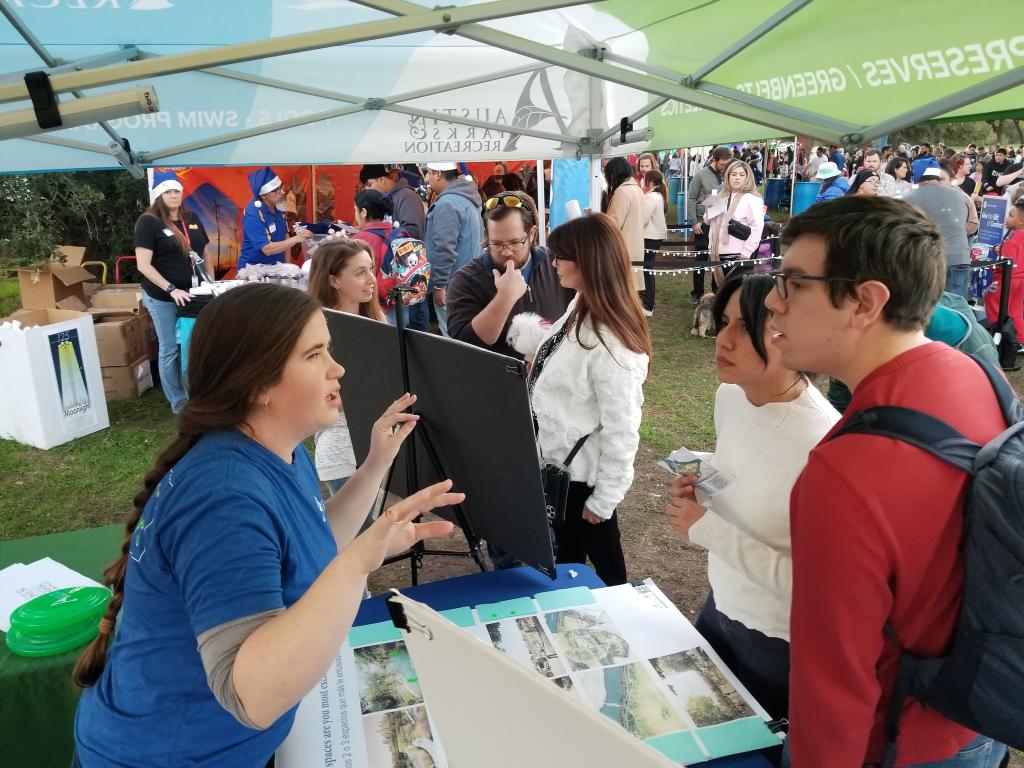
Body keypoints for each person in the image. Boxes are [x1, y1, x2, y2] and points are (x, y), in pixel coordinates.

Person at [71, 284, 460, 767]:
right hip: (168, 754)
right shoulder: (225, 499)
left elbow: (309, 548)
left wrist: (375, 465)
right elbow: (251, 695)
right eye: (315, 354)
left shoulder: (276, 448)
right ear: (257, 384)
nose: (337, 369)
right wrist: (358, 564)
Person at [765, 196, 1010, 768]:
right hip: (976, 711)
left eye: (793, 282)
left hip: (902, 745)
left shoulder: (844, 474)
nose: (773, 304)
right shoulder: (973, 373)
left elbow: (834, 689)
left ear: (865, 302)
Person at [665, 274, 839, 721]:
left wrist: (706, 528)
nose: (724, 338)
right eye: (724, 321)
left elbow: (816, 587)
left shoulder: (823, 445)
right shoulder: (731, 394)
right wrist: (700, 470)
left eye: (747, 325)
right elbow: (745, 465)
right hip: (720, 602)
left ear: (790, 330)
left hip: (776, 641)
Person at [529, 214, 651, 586]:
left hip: (583, 478)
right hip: (560, 468)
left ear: (587, 262)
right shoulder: (580, 306)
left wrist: (606, 497)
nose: (554, 264)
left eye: (561, 256)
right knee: (568, 565)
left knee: (607, 573)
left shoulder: (612, 341)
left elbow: (623, 425)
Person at [446, 191, 572, 359]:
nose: (506, 252)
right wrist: (505, 297)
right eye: (496, 243)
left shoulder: (557, 265)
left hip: (554, 379)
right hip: (497, 382)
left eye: (514, 242)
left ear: (532, 233)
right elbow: (464, 347)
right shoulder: (466, 280)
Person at [307, 238, 385, 499]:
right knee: (356, 536)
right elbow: (317, 397)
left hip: (378, 448)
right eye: (360, 273)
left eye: (371, 270)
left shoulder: (376, 322)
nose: (371, 279)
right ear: (334, 281)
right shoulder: (316, 332)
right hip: (342, 450)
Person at [134, 170, 210, 415]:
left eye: (177, 190)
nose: (174, 195)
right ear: (159, 195)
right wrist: (171, 288)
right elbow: (143, 264)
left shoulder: (191, 217)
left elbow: (204, 251)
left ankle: (196, 395)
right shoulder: (148, 222)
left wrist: (210, 282)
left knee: (194, 344)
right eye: (168, 191)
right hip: (162, 296)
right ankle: (179, 404)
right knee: (170, 348)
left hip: (195, 295)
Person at [350, 188, 428, 331]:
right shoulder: (398, 233)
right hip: (403, 303)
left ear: (363, 212)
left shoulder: (361, 241)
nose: (355, 215)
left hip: (379, 309)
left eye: (356, 210)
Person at [423, 161, 483, 336]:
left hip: (453, 283)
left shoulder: (447, 203)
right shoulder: (466, 197)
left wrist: (440, 284)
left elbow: (445, 248)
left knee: (453, 336)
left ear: (438, 174)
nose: (427, 178)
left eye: (429, 173)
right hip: (470, 278)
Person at [907, 167, 971, 299]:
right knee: (958, 307)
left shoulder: (910, 198)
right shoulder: (959, 195)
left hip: (930, 260)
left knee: (932, 310)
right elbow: (965, 222)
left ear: (918, 178)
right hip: (960, 257)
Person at [237, 167, 313, 271]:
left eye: (281, 187)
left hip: (276, 268)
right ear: (264, 196)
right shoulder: (253, 213)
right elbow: (267, 249)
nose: (282, 192)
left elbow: (285, 236)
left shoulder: (279, 206)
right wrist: (297, 238)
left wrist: (287, 267)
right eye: (277, 190)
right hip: (253, 270)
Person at [704, 160, 765, 285]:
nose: (737, 178)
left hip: (738, 255)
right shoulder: (720, 196)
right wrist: (709, 207)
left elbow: (757, 228)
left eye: (741, 175)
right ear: (728, 176)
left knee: (737, 295)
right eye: (734, 174)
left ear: (747, 177)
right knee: (719, 292)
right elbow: (707, 220)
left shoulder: (752, 199)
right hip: (717, 253)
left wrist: (746, 252)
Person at [687, 148, 733, 303]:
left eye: (727, 164)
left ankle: (719, 291)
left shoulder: (731, 174)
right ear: (714, 160)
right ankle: (697, 292)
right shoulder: (701, 175)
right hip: (703, 222)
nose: (725, 167)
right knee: (701, 257)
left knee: (719, 257)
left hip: (722, 223)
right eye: (722, 164)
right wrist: (694, 221)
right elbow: (691, 198)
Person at [602, 156, 647, 297]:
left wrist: (598, 220)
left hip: (623, 248)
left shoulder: (622, 192)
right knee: (629, 292)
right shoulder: (637, 190)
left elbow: (612, 224)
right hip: (635, 246)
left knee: (621, 292)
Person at [985, 199, 1024, 340]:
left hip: (1005, 281)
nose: (1006, 218)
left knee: (995, 306)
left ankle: (999, 336)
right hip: (1020, 282)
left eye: (1011, 215)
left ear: (1021, 220)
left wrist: (990, 264)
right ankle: (1020, 340)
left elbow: (1004, 264)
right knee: (1015, 311)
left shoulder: (1011, 239)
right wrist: (1000, 250)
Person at [358, 164, 426, 239]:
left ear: (381, 180)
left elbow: (413, 232)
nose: (368, 190)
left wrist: (382, 236)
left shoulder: (408, 196)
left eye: (370, 185)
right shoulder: (386, 198)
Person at [640, 169, 669, 316]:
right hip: (655, 237)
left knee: (646, 271)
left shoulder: (651, 196)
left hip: (649, 237)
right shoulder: (659, 195)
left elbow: (642, 219)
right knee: (647, 270)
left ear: (650, 181)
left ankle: (647, 305)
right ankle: (647, 304)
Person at [937, 162, 979, 237]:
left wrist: (955, 231)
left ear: (951, 180)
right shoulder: (927, 197)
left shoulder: (963, 198)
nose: (938, 182)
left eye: (942, 179)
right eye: (935, 179)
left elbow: (973, 224)